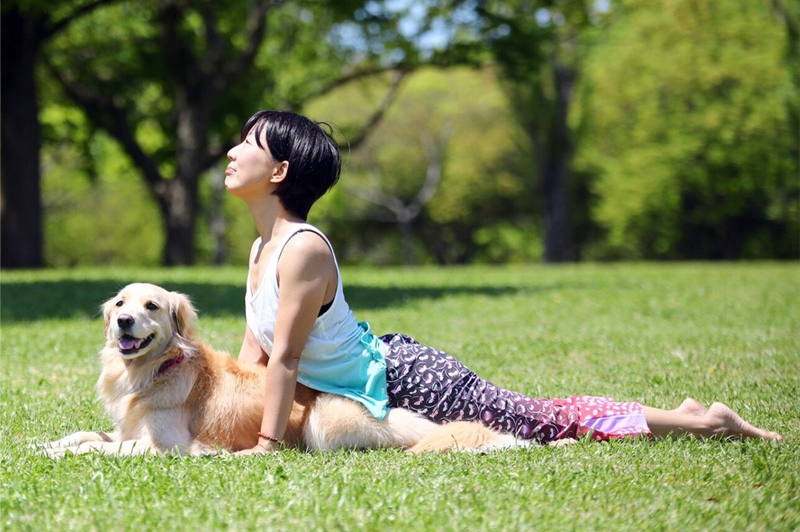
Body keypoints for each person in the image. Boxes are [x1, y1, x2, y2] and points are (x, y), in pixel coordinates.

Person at [225, 110, 782, 454]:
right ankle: (687, 418)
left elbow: (286, 362)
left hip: (412, 381)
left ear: (279, 173)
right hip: (380, 383)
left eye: (248, 144)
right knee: (543, 419)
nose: (231, 151)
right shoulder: (260, 249)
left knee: (545, 422)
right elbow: (253, 356)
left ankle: (708, 423)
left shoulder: (303, 250)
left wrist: (268, 444)